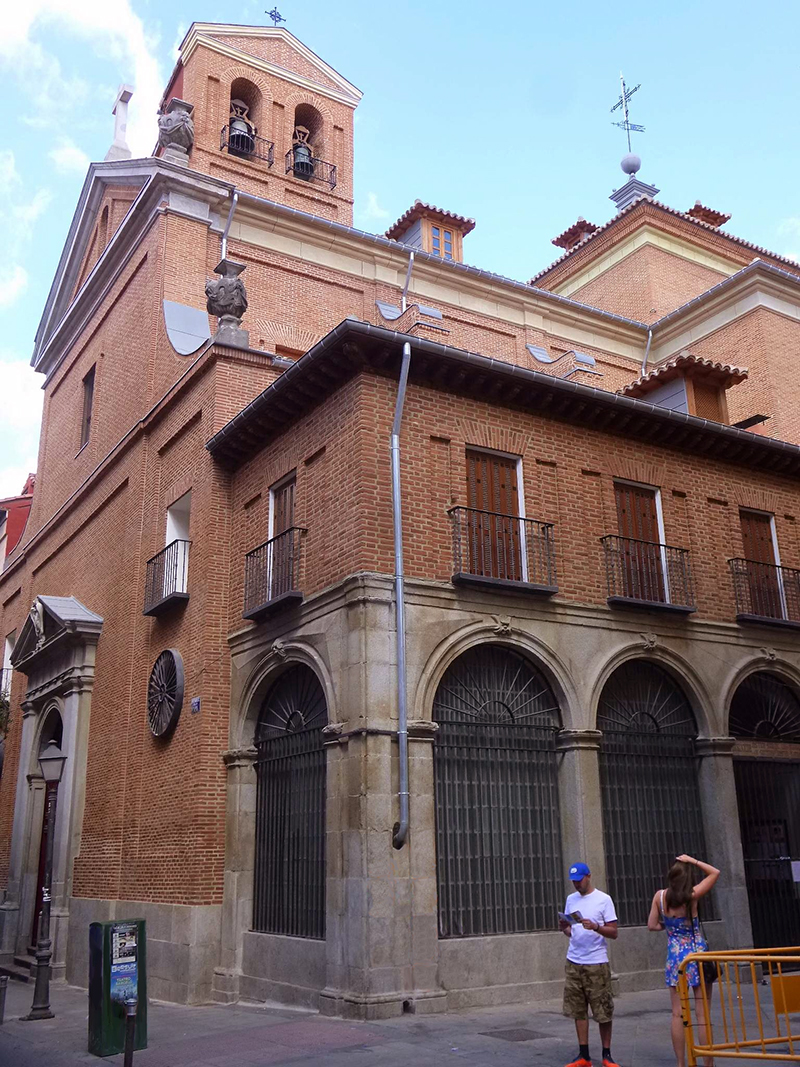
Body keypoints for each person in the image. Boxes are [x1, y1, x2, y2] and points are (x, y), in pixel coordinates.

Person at [647, 853, 720, 1067]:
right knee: (701, 1013)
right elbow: (715, 872)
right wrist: (694, 861)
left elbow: (651, 925)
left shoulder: (659, 897)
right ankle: (707, 1062)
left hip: (674, 957)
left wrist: (669, 927)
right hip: (696, 955)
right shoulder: (692, 895)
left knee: (677, 1013)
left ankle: (681, 1062)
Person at [560, 861, 620, 1067]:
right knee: (578, 1009)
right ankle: (583, 1055)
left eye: (579, 880)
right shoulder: (571, 899)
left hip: (596, 962)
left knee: (602, 1010)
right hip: (574, 961)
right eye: (574, 882)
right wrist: (564, 928)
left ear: (588, 876)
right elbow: (571, 931)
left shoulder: (604, 900)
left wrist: (596, 927)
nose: (576, 885)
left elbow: (613, 932)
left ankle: (607, 1054)